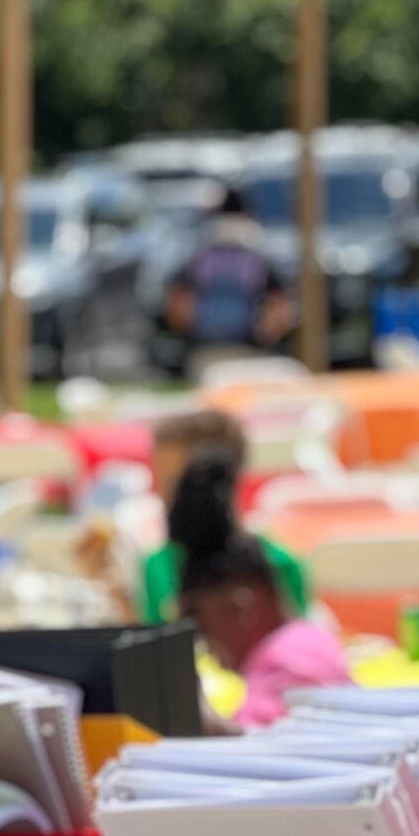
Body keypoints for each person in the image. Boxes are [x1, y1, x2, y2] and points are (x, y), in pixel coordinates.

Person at [77, 409, 310, 626]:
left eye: (173, 481)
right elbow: (156, 646)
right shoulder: (158, 565)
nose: (159, 493)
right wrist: (115, 591)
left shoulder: (279, 565)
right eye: (159, 478)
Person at [172, 452, 351, 730]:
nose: (212, 656)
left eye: (206, 632)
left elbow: (257, 746)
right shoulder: (307, 639)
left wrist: (198, 715)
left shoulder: (285, 662)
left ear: (243, 606)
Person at [161, 188, 292, 366]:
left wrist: (188, 333)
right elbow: (279, 305)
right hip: (249, 347)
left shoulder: (200, 257)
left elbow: (177, 302)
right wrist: (266, 337)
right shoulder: (257, 259)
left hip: (204, 347)